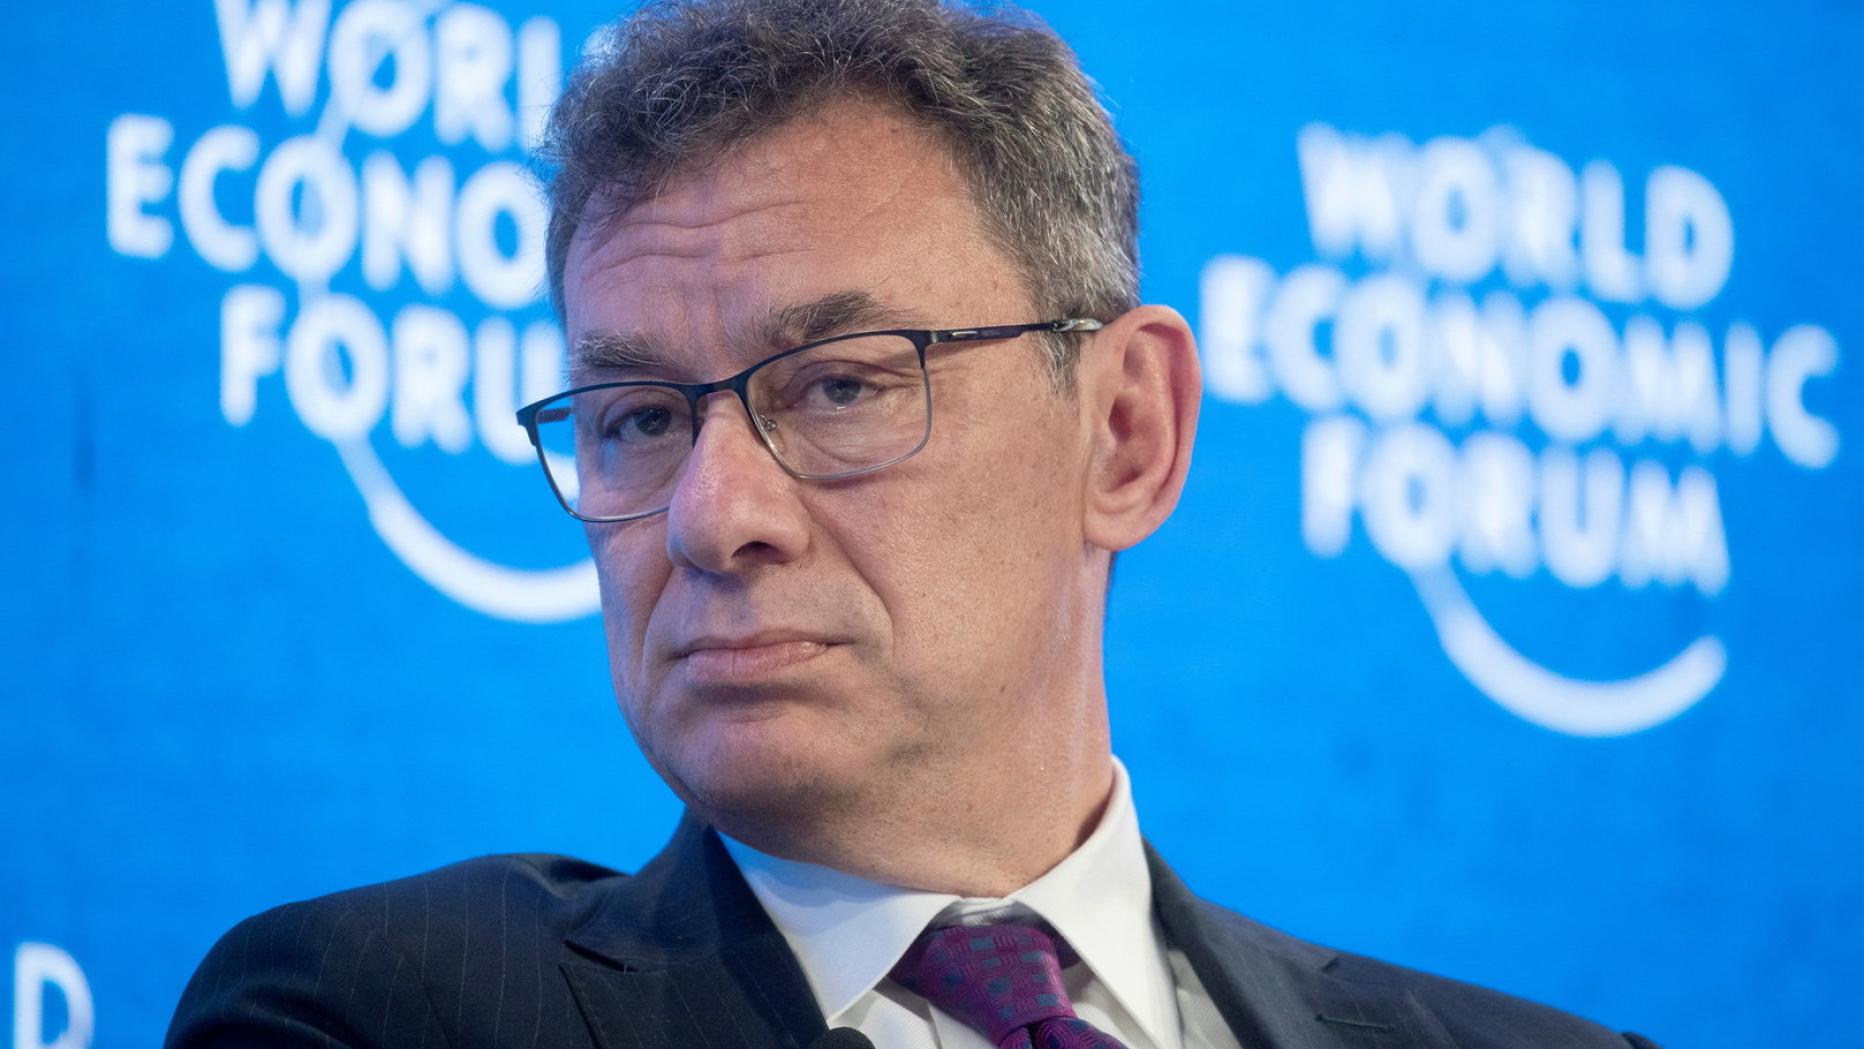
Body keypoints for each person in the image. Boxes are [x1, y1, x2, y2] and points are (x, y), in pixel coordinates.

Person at [166, 1, 1661, 1046]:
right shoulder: (381, 1013)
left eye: (838, 386)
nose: (712, 517)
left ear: (1125, 433)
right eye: (640, 419)